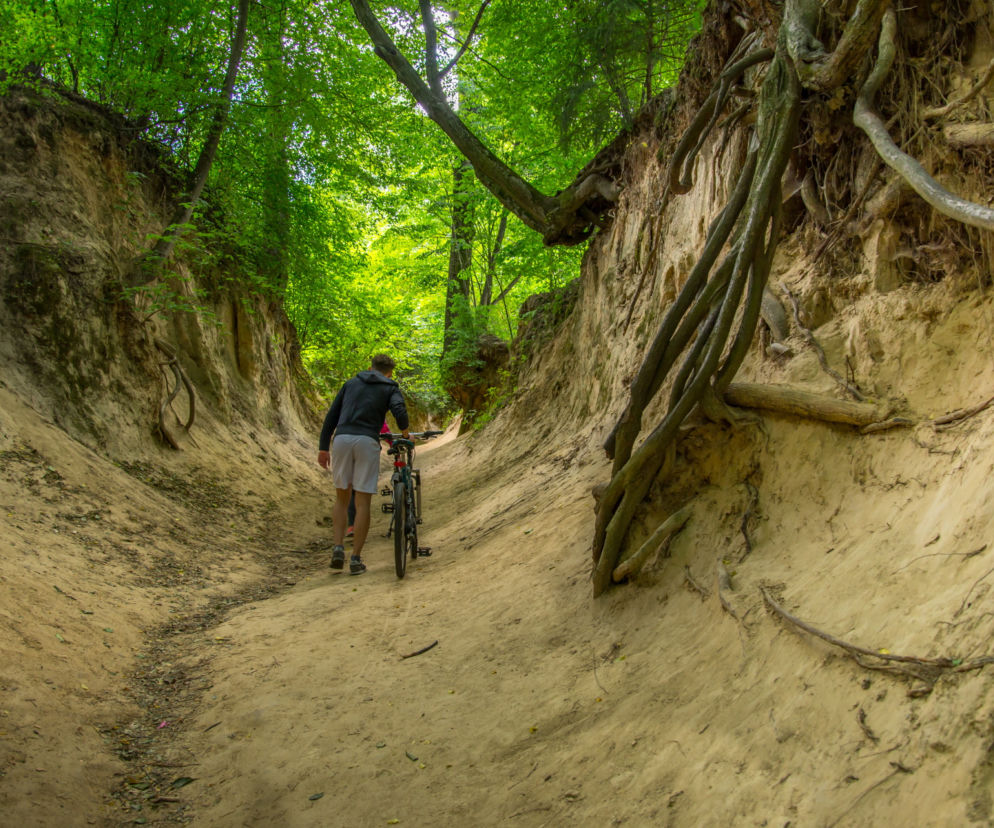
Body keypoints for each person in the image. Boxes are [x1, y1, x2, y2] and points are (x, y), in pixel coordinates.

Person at [318, 355, 409, 575]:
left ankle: (338, 548)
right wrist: (405, 433)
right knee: (362, 502)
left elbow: (332, 415)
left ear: (370, 367)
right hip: (367, 440)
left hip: (341, 439)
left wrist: (323, 447)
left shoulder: (351, 383)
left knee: (342, 497)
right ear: (389, 373)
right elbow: (399, 410)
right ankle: (356, 559)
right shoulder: (390, 386)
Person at [345, 423, 393, 537]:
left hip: (346, 445)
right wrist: (392, 443)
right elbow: (383, 428)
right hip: (366, 447)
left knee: (352, 488)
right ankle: (358, 525)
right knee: (362, 491)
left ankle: (351, 525)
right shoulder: (373, 408)